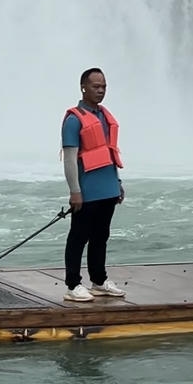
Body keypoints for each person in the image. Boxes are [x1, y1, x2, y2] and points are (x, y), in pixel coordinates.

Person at [61, 66, 125, 301]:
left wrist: (117, 183)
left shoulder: (104, 116)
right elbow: (69, 159)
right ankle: (72, 285)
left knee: (101, 237)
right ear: (83, 87)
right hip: (87, 191)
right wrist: (75, 191)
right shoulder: (73, 120)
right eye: (96, 86)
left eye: (104, 87)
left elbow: (109, 152)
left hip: (108, 188)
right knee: (78, 237)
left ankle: (98, 280)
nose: (101, 91)